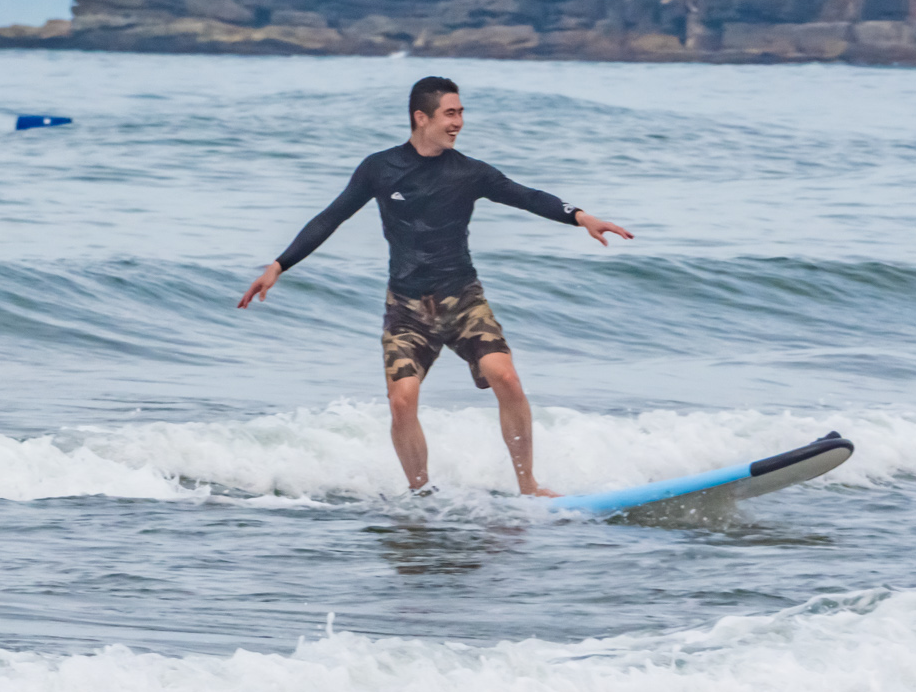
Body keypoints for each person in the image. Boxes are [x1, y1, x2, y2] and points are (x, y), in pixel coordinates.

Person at [237, 77, 632, 496]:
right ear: (420, 117)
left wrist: (580, 216)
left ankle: (528, 485)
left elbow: (527, 196)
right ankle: (421, 494)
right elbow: (331, 217)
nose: (459, 122)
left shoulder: (469, 172)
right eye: (450, 113)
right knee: (401, 400)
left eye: (461, 113)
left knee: (506, 377)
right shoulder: (380, 168)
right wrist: (280, 264)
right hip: (406, 307)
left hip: (462, 300)